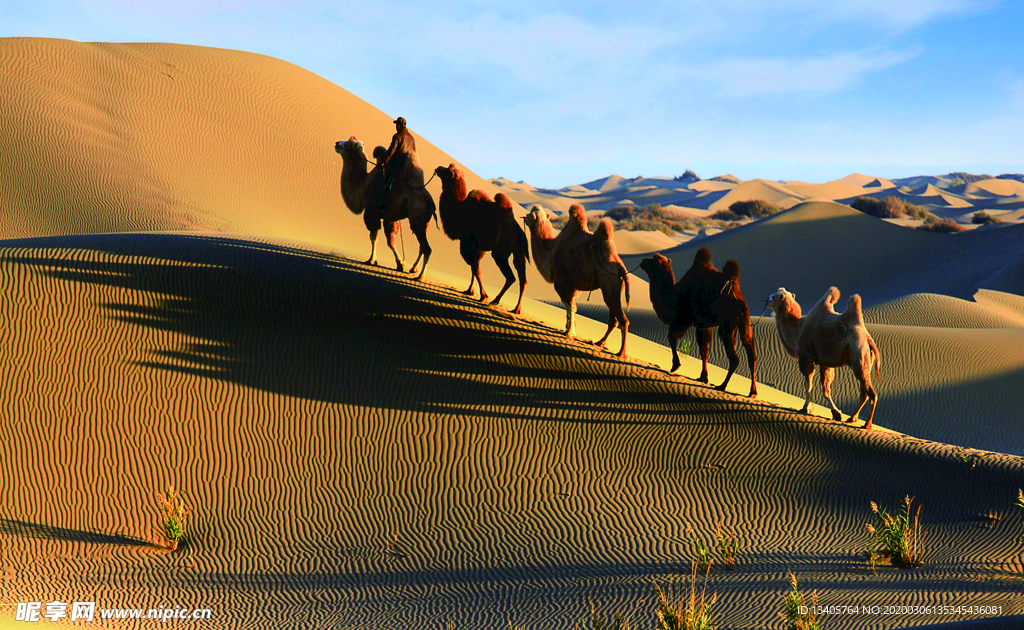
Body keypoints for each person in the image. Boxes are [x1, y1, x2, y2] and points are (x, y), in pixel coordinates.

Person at [378, 117, 417, 208]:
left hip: (397, 167)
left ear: (399, 126)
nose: (396, 127)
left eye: (396, 125)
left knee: (382, 179)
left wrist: (383, 162)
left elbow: (391, 151)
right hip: (409, 167)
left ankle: (381, 203)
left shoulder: (397, 136)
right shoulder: (412, 138)